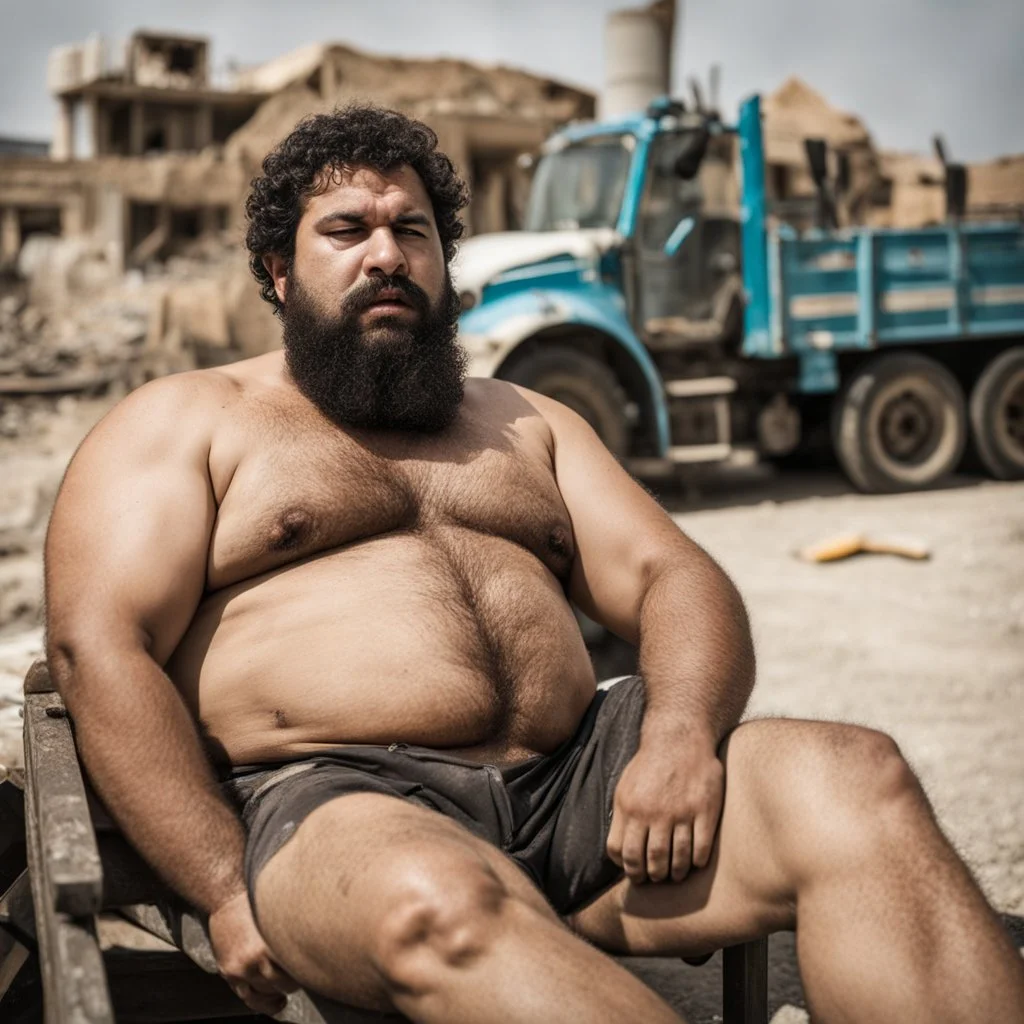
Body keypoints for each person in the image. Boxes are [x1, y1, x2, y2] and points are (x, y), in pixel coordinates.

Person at [44, 106, 1023, 1024]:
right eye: (346, 230)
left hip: (585, 790)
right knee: (441, 902)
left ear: (445, 263)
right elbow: (100, 647)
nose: (386, 254)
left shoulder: (525, 420)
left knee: (853, 775)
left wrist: (679, 737)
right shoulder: (189, 421)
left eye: (412, 230)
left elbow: (673, 577)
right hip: (338, 803)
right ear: (280, 271)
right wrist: (221, 885)